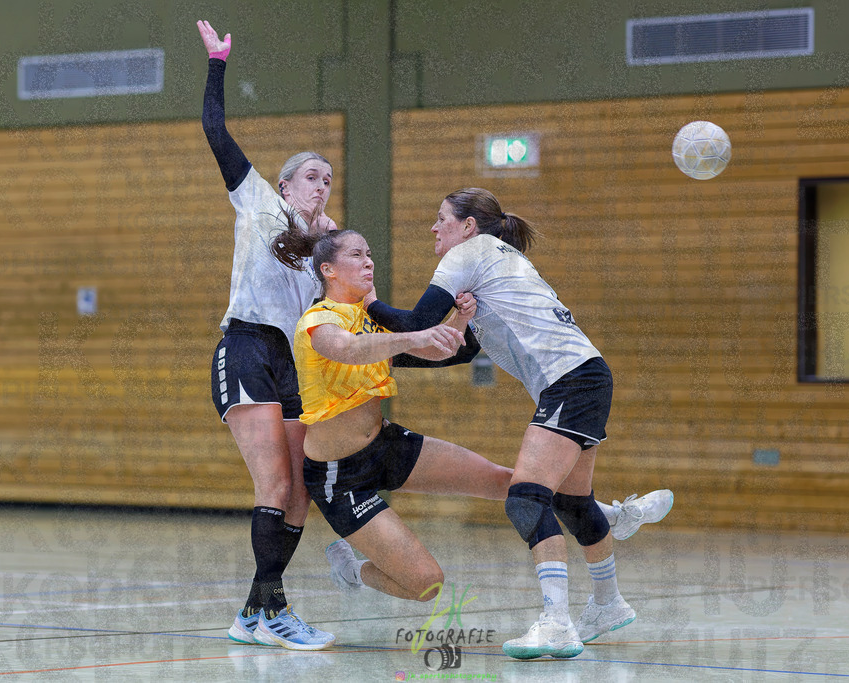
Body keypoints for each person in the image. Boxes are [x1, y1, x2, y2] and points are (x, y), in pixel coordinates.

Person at [364, 188, 674, 659]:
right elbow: (458, 352)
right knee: (572, 503)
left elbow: (416, 321)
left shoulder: (468, 254)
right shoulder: (497, 261)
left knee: (526, 499)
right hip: (587, 376)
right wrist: (378, 359)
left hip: (570, 381)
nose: (434, 227)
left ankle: (557, 623)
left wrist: (368, 303)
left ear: (468, 226)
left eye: (442, 218)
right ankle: (608, 602)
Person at [198, 19, 338, 650]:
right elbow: (215, 131)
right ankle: (274, 613)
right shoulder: (258, 200)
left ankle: (253, 614)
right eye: (311, 176)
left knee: (300, 491)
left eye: (328, 179)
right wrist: (218, 65)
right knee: (274, 485)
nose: (321, 185)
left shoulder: (327, 247)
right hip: (247, 347)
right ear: (285, 185)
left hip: (293, 362)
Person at [289, 229, 516, 602]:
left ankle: (590, 512)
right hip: (341, 476)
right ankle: (352, 570)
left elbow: (438, 351)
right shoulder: (319, 319)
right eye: (356, 255)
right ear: (328, 270)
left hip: (386, 445)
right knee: (427, 584)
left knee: (503, 480)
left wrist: (460, 317)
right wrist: (415, 335)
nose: (368, 262)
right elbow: (349, 349)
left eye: (369, 254)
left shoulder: (371, 318)